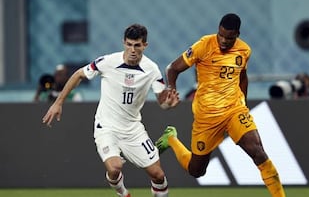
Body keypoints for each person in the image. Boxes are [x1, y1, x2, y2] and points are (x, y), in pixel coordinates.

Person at [155, 13, 286, 197]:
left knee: (258, 153)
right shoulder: (204, 45)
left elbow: (242, 77)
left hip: (234, 111)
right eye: (221, 35)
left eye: (229, 38)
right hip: (206, 116)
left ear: (237, 34)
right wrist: (171, 89)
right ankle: (171, 139)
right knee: (196, 170)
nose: (223, 41)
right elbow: (173, 68)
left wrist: (244, 105)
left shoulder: (244, 51)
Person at [42, 24, 179, 197]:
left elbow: (162, 101)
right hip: (106, 127)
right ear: (123, 43)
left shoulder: (151, 69)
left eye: (137, 45)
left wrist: (169, 104)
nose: (132, 50)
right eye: (129, 44)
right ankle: (122, 193)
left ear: (145, 45)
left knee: (158, 175)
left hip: (133, 129)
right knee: (115, 168)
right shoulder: (107, 62)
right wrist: (58, 103)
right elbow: (78, 74)